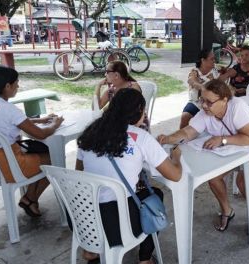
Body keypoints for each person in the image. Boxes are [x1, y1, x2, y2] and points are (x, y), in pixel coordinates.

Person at [75, 89, 182, 264]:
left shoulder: (90, 132)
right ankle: (145, 259)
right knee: (154, 197)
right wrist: (176, 157)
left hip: (83, 220)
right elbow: (175, 175)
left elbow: (79, 174)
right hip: (116, 224)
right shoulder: (141, 137)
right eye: (144, 110)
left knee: (132, 194)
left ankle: (92, 250)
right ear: (139, 110)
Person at [157, 79, 249, 236]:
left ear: (224, 100)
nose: (204, 105)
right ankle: (227, 210)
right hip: (231, 150)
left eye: (209, 102)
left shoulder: (237, 107)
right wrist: (168, 138)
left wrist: (222, 139)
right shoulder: (206, 112)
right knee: (214, 179)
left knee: (242, 181)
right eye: (202, 100)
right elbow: (188, 132)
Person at [0, 66, 63, 217]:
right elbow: (40, 134)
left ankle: (30, 199)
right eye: (16, 83)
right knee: (54, 161)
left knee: (40, 154)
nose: (18, 87)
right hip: (10, 165)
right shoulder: (9, 109)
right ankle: (30, 198)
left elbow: (14, 121)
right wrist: (55, 124)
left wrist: (41, 119)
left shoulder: (1, 108)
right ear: (7, 86)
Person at [180, 49, 221, 128]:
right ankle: (181, 139)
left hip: (211, 103)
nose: (214, 60)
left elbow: (226, 72)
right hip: (196, 103)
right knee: (185, 116)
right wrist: (202, 87)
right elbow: (191, 80)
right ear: (203, 60)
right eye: (212, 59)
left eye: (214, 58)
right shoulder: (195, 71)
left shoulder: (215, 70)